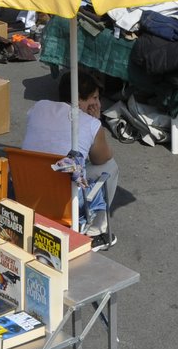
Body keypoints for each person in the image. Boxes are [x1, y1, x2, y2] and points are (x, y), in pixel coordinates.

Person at [21, 70, 118, 247]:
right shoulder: (90, 123)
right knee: (110, 167)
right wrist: (97, 124)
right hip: (63, 201)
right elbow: (103, 158)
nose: (98, 103)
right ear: (79, 99)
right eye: (94, 98)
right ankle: (96, 231)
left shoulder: (39, 106)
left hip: (26, 191)